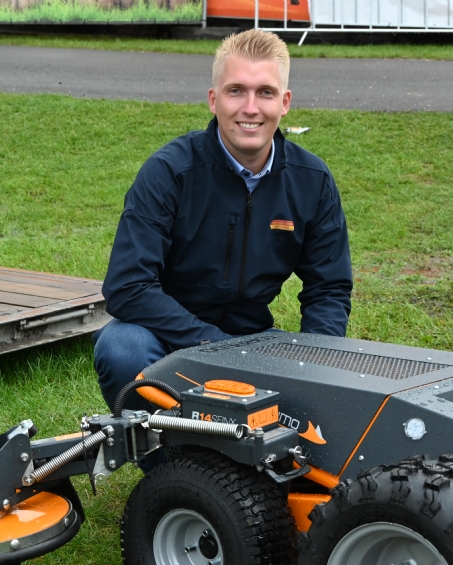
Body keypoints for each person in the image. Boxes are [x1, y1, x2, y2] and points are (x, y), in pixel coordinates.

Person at [93, 28, 353, 412]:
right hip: (169, 337)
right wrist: (212, 346)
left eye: (265, 92)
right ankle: (165, 468)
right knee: (121, 347)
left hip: (255, 339)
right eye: (236, 91)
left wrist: (312, 365)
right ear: (214, 100)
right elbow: (127, 286)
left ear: (285, 103)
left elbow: (329, 289)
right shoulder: (169, 171)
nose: (250, 108)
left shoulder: (311, 180)